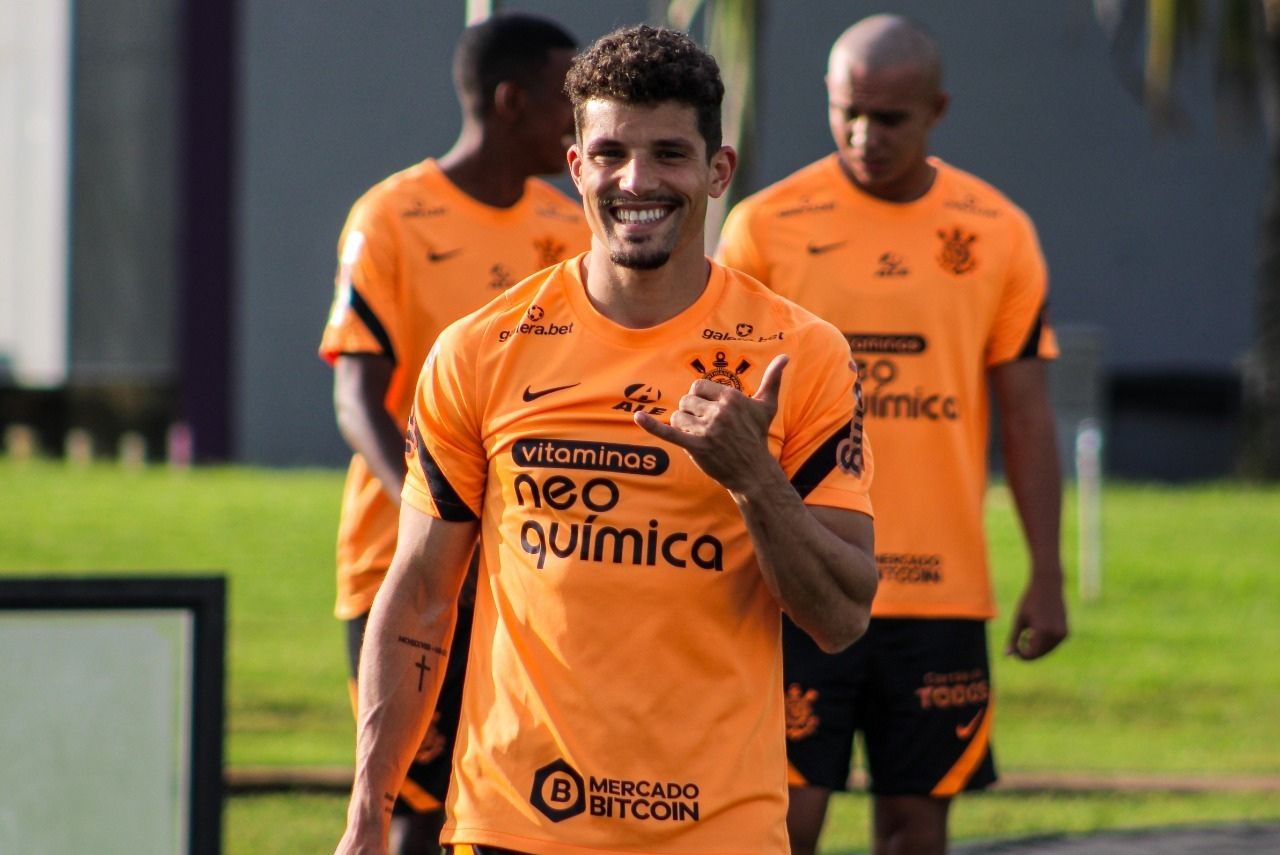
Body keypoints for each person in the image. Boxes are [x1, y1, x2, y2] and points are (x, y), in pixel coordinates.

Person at [336, 24, 878, 855]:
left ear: (718, 171)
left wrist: (753, 478)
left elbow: (840, 616)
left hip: (714, 834)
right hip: (513, 826)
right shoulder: (481, 349)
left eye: (669, 154)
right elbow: (417, 598)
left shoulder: (799, 353)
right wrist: (368, 809)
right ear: (576, 164)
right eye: (611, 153)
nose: (637, 181)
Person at [717, 13, 1068, 855]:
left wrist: (1048, 570)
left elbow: (1026, 412)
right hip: (799, 576)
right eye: (848, 112)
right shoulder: (764, 225)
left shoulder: (996, 230)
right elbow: (724, 412)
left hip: (938, 594)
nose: (864, 135)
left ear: (937, 110)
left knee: (916, 829)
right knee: (785, 821)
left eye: (890, 118)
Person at [318, 14, 590, 853]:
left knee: (522, 800)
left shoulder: (572, 229)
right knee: (414, 806)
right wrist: (437, 517)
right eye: (567, 101)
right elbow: (356, 397)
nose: (580, 123)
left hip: (528, 563)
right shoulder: (392, 215)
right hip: (405, 561)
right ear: (512, 102)